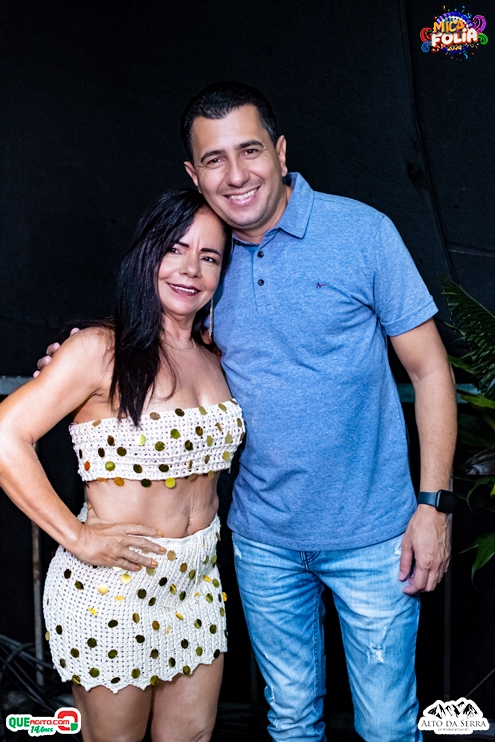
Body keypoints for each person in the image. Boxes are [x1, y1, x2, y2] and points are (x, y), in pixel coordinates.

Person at [38, 82, 457, 742]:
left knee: (385, 726)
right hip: (262, 544)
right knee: (288, 720)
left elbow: (430, 370)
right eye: (214, 159)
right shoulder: (208, 261)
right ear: (193, 174)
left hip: (376, 535)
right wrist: (76, 363)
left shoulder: (362, 232)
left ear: (281, 152)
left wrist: (434, 505)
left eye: (250, 150)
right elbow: (162, 341)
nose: (235, 175)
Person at [0, 188, 245, 742]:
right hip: (114, 589)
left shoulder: (215, 355)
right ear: (147, 255)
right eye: (175, 248)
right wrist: (78, 537)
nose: (191, 269)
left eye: (209, 256)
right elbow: (6, 435)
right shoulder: (99, 349)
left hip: (197, 584)